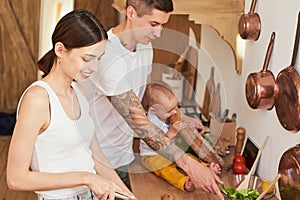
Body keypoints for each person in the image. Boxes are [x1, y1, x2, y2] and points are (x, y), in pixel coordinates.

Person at [79, 0, 224, 199]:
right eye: (153, 24)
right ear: (131, 13)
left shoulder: (145, 48)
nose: (159, 33)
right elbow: (139, 122)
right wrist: (190, 165)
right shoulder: (108, 57)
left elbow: (144, 98)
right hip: (93, 163)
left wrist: (176, 117)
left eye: (162, 25)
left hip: (122, 156)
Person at [6, 9, 134, 200]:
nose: (95, 68)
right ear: (60, 50)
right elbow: (16, 179)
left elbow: (96, 157)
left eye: (99, 59)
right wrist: (86, 178)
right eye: (87, 59)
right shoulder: (39, 99)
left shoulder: (79, 93)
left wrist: (128, 195)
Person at [140, 82, 221, 192]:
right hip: (152, 155)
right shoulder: (150, 123)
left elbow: (180, 116)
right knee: (165, 169)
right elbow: (159, 144)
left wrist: (193, 122)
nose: (174, 112)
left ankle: (206, 167)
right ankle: (183, 181)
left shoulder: (167, 111)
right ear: (153, 110)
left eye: (176, 106)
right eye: (170, 111)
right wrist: (172, 132)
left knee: (189, 157)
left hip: (172, 152)